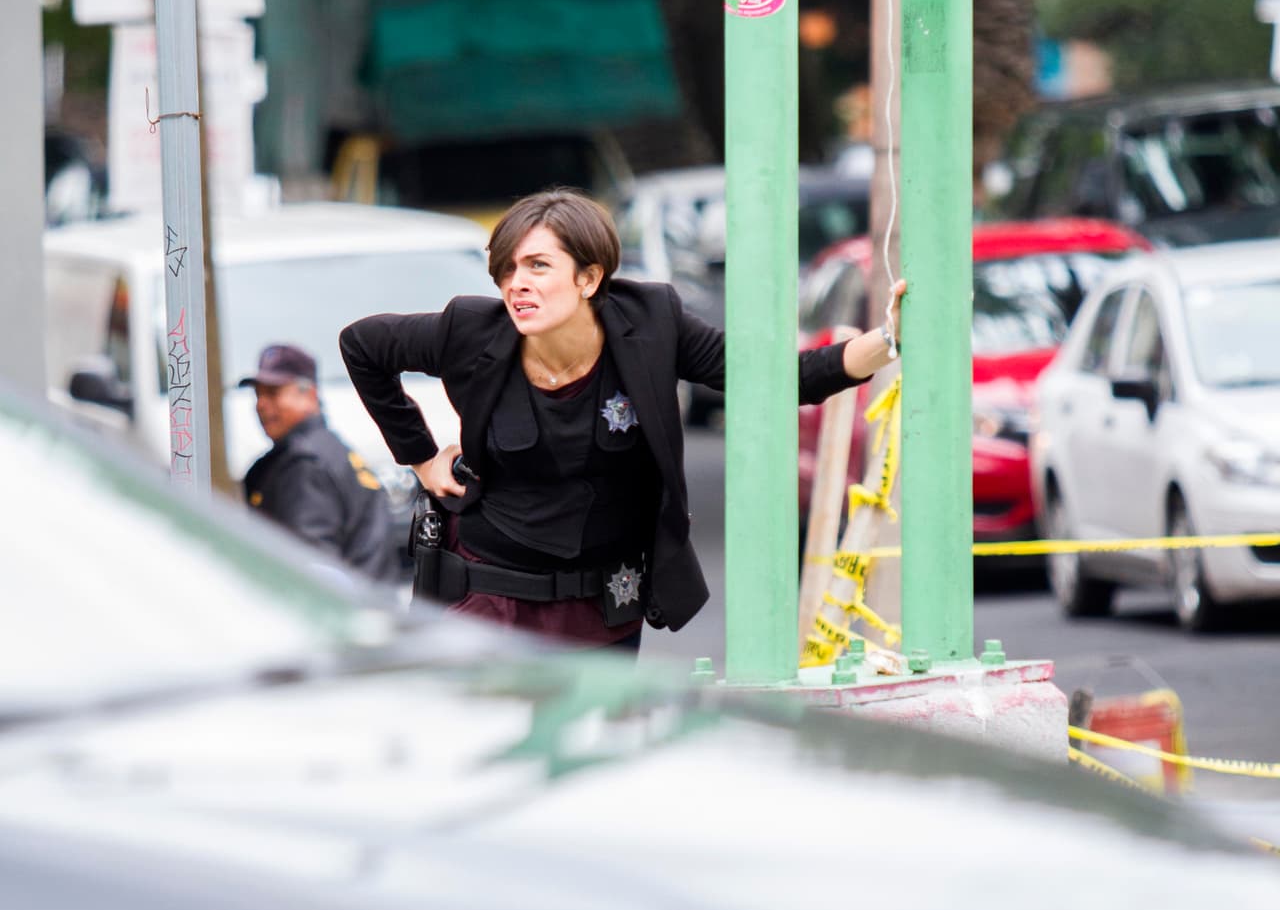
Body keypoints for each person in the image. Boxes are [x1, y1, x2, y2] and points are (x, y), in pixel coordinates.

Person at [339, 189, 900, 650]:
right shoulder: (470, 330)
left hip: (603, 604)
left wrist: (889, 341)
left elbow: (772, 378)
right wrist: (418, 455)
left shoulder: (653, 323)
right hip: (490, 597)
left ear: (589, 277)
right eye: (507, 269)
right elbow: (362, 346)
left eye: (538, 265)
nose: (517, 283)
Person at [239, 343, 397, 580]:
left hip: (341, 612)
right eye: (258, 394)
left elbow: (313, 569)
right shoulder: (329, 449)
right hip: (370, 605)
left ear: (309, 395)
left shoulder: (304, 464)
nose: (261, 404)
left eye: (272, 393)